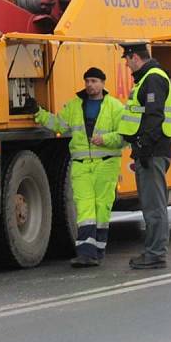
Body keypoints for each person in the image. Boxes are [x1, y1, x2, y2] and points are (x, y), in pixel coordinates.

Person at [26, 67, 125, 267]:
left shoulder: (115, 107)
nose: (90, 84)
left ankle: (97, 251)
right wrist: (38, 113)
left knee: (101, 208)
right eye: (87, 80)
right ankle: (86, 253)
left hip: (106, 165)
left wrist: (104, 139)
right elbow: (58, 125)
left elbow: (124, 138)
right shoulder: (74, 106)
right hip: (80, 166)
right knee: (84, 208)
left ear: (103, 83)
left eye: (94, 81)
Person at [117, 42, 171, 269]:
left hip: (153, 152)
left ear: (135, 58)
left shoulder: (153, 78)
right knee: (151, 204)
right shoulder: (147, 78)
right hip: (150, 151)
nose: (126, 64)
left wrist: (143, 146)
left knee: (154, 206)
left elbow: (154, 117)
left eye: (127, 60)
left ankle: (155, 254)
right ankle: (154, 252)